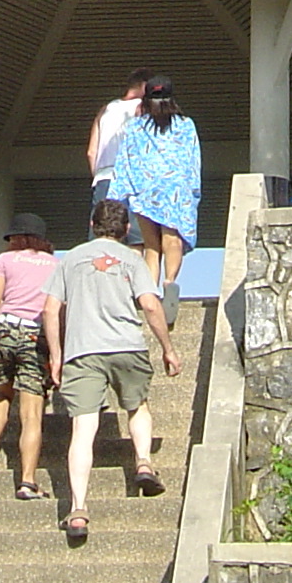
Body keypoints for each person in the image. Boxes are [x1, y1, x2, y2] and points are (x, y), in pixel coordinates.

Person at [44, 197, 180, 545]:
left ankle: (77, 508)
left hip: (83, 350)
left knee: (83, 428)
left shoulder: (70, 259)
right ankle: (145, 462)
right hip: (127, 345)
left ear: (92, 225)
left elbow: (50, 309)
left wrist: (56, 355)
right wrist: (167, 348)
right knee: (137, 405)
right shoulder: (133, 261)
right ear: (124, 230)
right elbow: (150, 304)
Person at [0, 210, 58, 499]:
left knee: (1, 393)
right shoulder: (56, 265)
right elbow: (57, 311)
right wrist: (57, 353)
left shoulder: (5, 260)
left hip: (4, 331)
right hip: (34, 335)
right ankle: (27, 481)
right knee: (31, 416)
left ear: (16, 237)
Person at [111, 74, 200, 320]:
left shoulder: (135, 127)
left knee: (151, 245)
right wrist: (194, 192)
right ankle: (170, 282)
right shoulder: (186, 124)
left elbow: (125, 162)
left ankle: (148, 291)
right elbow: (194, 159)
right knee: (172, 240)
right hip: (176, 189)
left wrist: (116, 197)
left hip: (144, 189)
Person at [86, 71, 150, 208]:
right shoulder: (142, 109)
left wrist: (98, 176)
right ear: (144, 85)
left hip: (103, 179)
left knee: (105, 226)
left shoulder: (105, 110)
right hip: (132, 179)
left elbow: (91, 152)